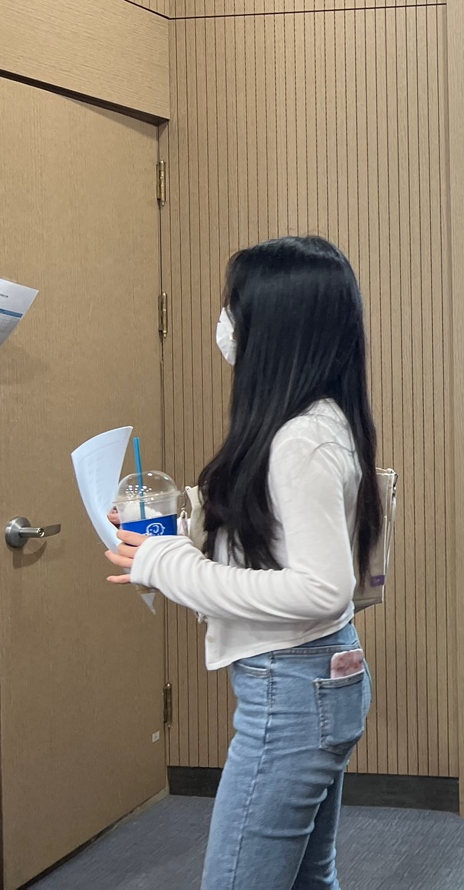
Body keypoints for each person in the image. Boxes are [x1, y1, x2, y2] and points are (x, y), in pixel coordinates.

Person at [104, 236, 381, 890]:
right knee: (308, 879)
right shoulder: (314, 422)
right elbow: (272, 532)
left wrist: (166, 563)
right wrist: (176, 529)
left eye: (235, 306)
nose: (225, 322)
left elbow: (322, 588)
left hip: (293, 688)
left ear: (276, 326)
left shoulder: (300, 438)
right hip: (313, 680)